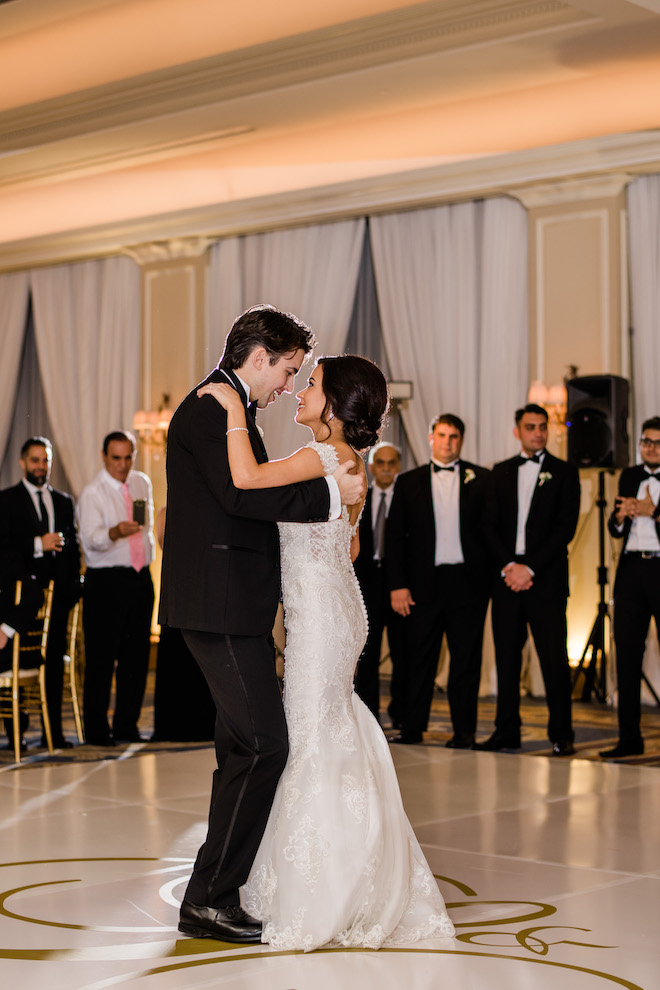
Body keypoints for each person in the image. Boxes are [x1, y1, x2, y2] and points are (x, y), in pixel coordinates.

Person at [199, 353, 455, 951]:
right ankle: (352, 872)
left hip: (321, 619)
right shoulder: (350, 462)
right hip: (339, 609)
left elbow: (245, 480)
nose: (300, 390)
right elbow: (351, 546)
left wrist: (235, 408)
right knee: (325, 732)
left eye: (311, 383)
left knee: (309, 741)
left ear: (337, 403)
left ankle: (320, 890)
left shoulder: (320, 456)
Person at [160, 305, 364, 946]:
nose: (288, 385)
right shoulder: (211, 404)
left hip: (233, 605)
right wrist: (330, 495)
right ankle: (210, 898)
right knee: (263, 746)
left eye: (301, 376)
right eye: (289, 370)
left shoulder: (232, 406)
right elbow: (238, 494)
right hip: (215, 604)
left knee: (239, 751)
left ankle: (217, 893)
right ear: (261, 355)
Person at [475, 403, 580, 756]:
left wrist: (529, 568)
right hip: (506, 581)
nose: (537, 432)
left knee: (553, 660)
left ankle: (562, 733)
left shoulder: (565, 472)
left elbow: (565, 528)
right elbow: (487, 525)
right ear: (517, 431)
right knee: (506, 659)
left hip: (544, 581)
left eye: (542, 427)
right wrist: (508, 565)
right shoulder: (499, 471)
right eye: (530, 427)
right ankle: (507, 730)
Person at [387, 415, 490, 748]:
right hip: (422, 584)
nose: (448, 442)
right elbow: (395, 539)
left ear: (461, 440)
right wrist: (397, 584)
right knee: (419, 659)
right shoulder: (408, 481)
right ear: (431, 437)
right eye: (442, 435)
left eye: (454, 436)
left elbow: (490, 535)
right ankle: (413, 727)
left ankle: (465, 732)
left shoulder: (481, 479)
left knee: (466, 661)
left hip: (467, 583)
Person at [0, 436, 81, 748]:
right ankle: (15, 734)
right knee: (14, 662)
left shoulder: (63, 501)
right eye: (34, 460)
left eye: (45, 461)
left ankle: (53, 733)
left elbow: (72, 549)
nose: (40, 467)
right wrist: (38, 544)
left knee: (51, 666)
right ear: (23, 463)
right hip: (20, 598)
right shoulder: (6, 500)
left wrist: (71, 589)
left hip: (57, 598)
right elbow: (3, 547)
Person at [76, 430, 155, 747]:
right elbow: (89, 542)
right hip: (105, 582)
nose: (123, 465)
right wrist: (114, 531)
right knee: (101, 659)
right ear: (104, 456)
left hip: (140, 577)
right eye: (116, 458)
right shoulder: (92, 493)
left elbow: (145, 525)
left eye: (128, 457)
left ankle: (127, 726)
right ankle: (96, 731)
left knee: (136, 657)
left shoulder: (141, 483)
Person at [601, 417, 660, 758]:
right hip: (632, 570)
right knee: (625, 655)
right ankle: (629, 738)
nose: (650, 447)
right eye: (646, 441)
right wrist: (622, 517)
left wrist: (654, 512)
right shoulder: (630, 475)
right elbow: (614, 526)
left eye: (656, 442)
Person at [151, 507, 215, 742]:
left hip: (204, 588)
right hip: (179, 586)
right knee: (178, 656)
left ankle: (205, 722)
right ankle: (174, 724)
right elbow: (164, 543)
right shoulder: (166, 513)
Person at [352, 441, 405, 724]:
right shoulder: (361, 496)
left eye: (391, 463)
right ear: (371, 468)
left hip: (399, 587)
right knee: (367, 655)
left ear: (398, 467)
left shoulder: (408, 498)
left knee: (402, 654)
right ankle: (369, 716)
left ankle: (400, 716)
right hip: (366, 586)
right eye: (380, 463)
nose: (385, 469)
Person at [0, 551, 44, 749]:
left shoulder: (8, 557)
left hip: (9, 649)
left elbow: (36, 595)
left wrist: (5, 630)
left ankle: (16, 729)